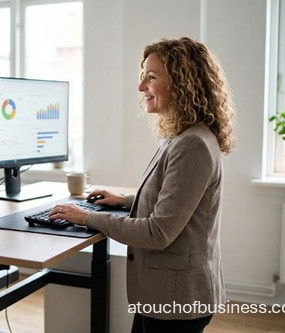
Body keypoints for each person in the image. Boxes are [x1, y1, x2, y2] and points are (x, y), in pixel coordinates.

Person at [49, 37, 235, 333]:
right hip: (167, 294)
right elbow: (174, 199)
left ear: (182, 82)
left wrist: (88, 218)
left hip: (177, 298)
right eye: (142, 76)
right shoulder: (183, 136)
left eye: (151, 77)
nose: (141, 87)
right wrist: (122, 201)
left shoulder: (192, 145)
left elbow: (158, 232)